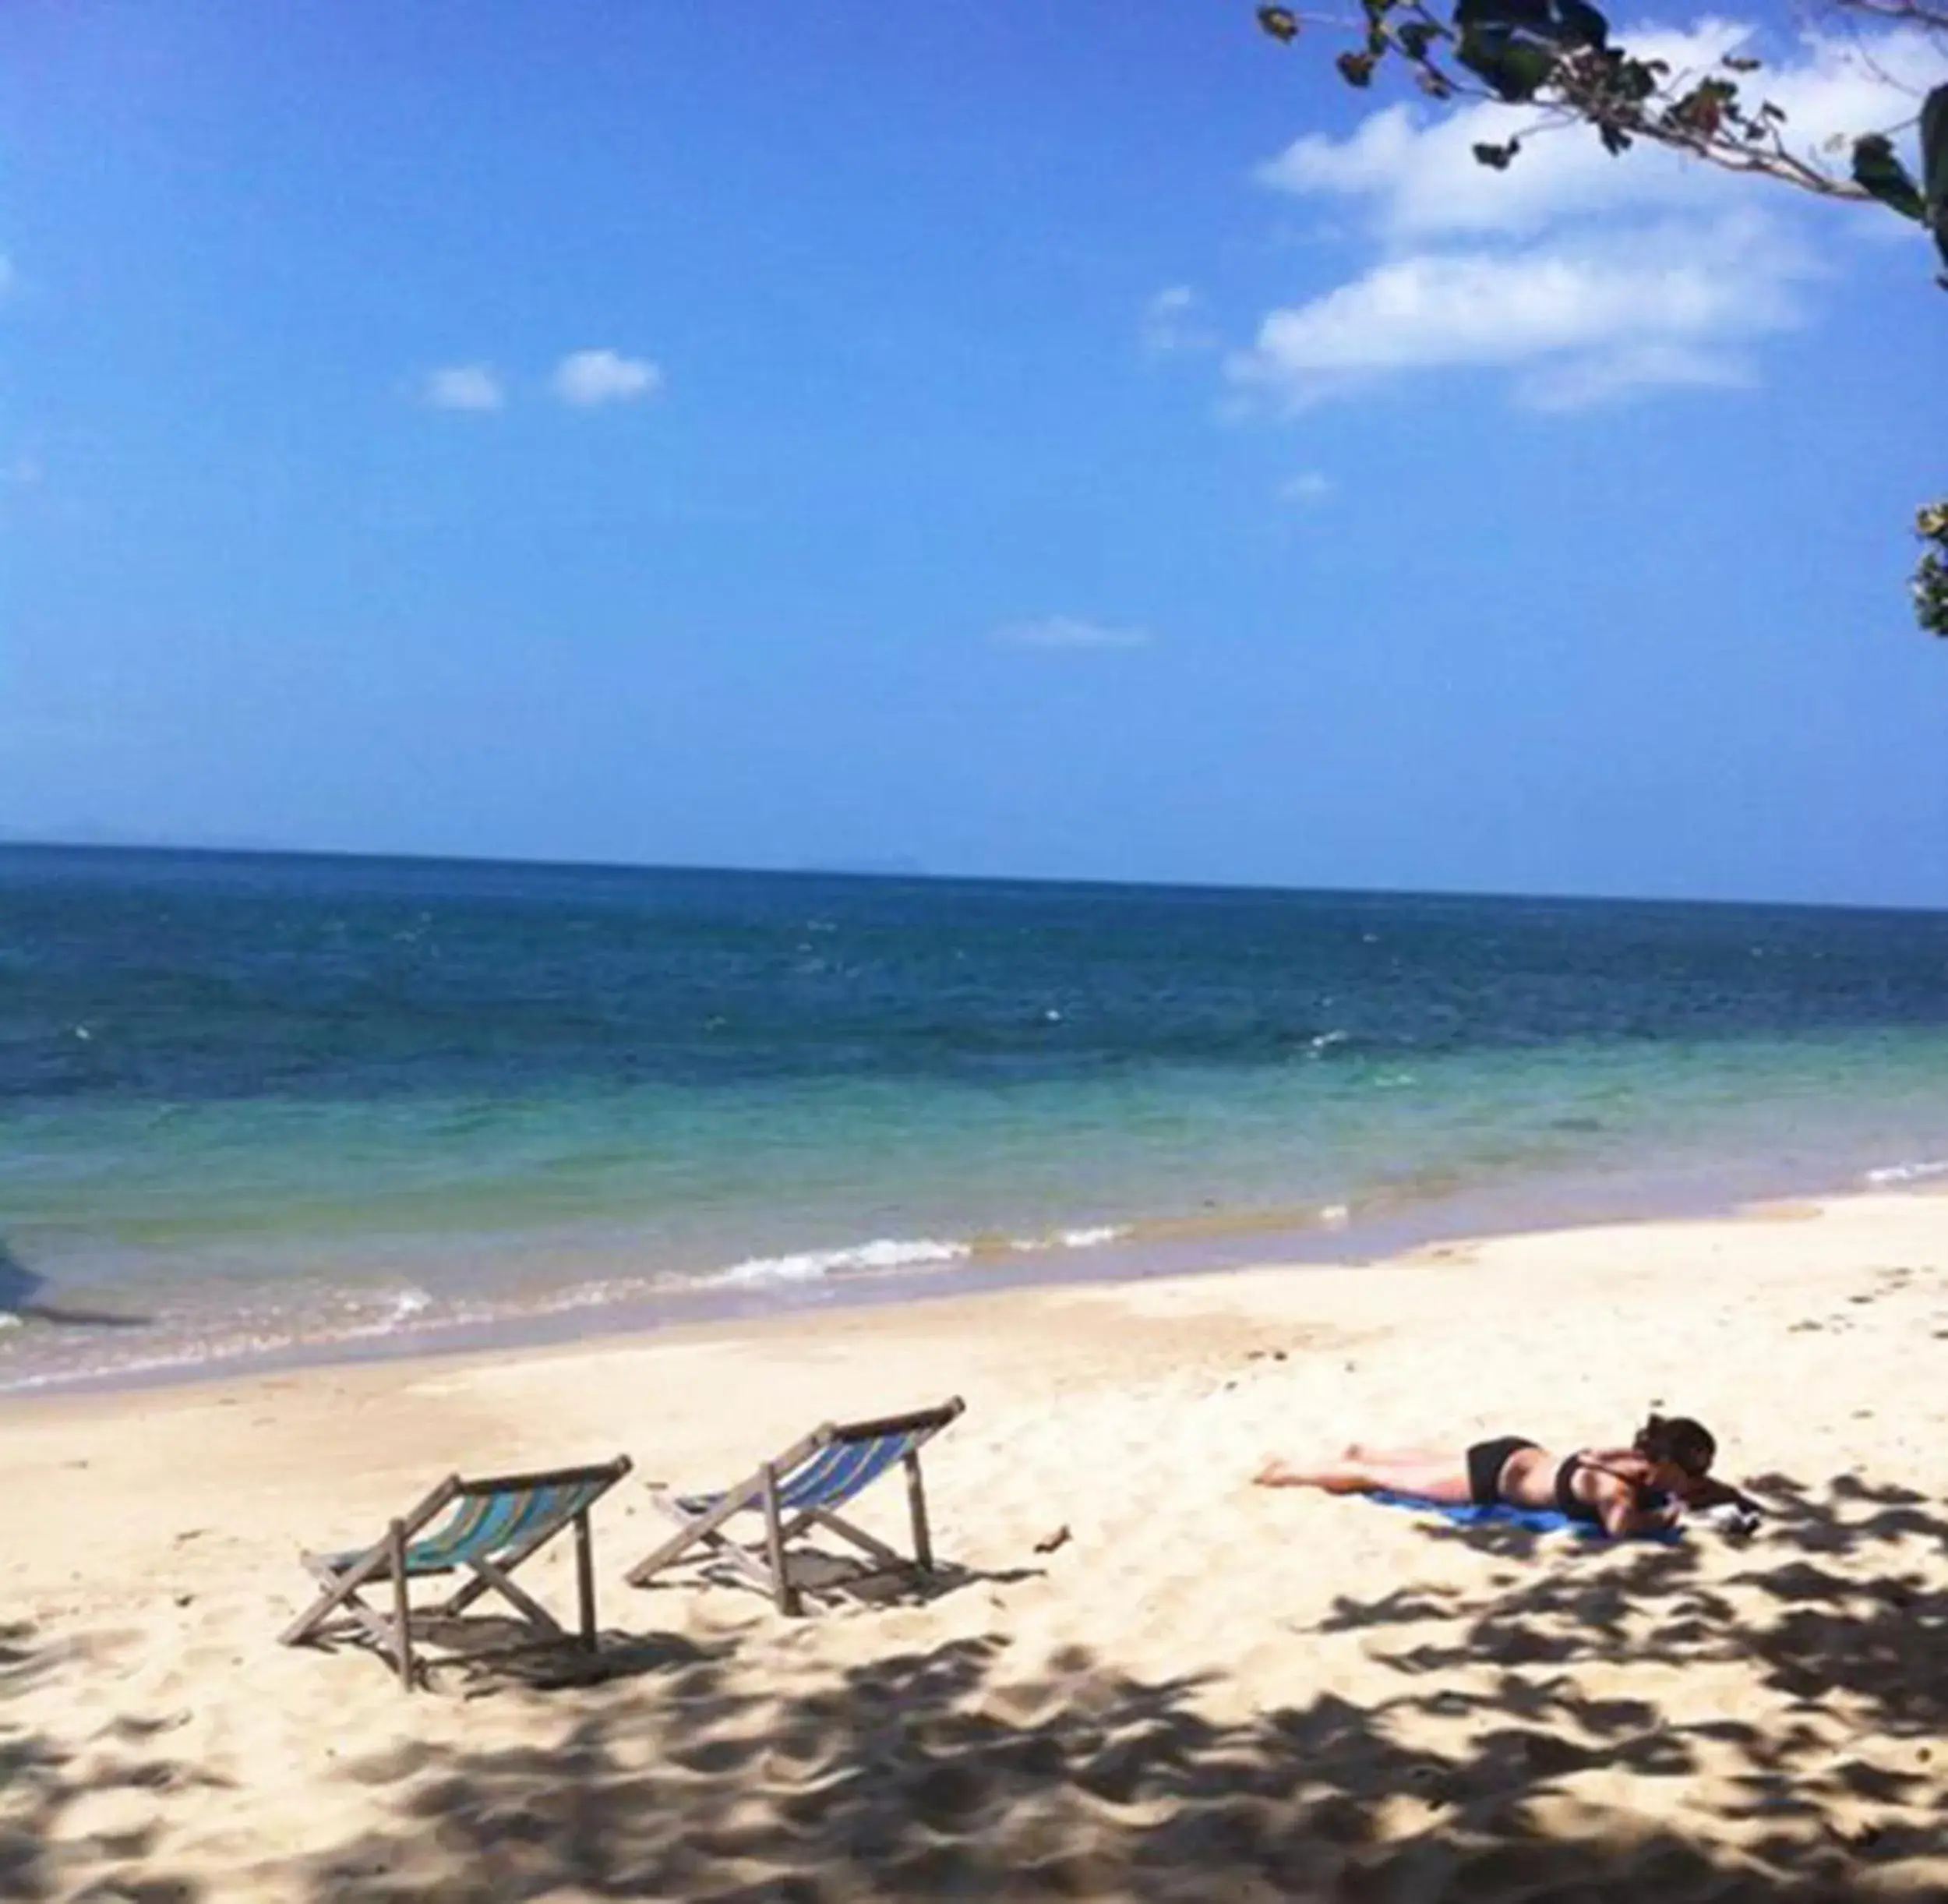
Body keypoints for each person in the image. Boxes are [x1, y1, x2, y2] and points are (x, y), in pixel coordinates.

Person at [1254, 1412, 1749, 1540]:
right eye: (1689, 1474)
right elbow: (1622, 1527)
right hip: (1493, 1481)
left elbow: (1689, 1483)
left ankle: (1369, 1449)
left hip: (1517, 1452)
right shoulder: (1614, 1488)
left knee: (1428, 1462)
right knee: (1379, 1480)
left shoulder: (1628, 1457)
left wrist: (1723, 1494)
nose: (1694, 1482)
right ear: (1666, 1467)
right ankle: (1285, 1475)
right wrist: (1667, 1517)